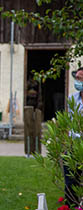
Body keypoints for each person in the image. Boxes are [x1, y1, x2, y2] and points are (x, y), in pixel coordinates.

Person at [65, 67, 83, 207]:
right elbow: (68, 122)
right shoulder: (72, 98)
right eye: (76, 78)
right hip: (73, 143)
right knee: (71, 176)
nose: (78, 81)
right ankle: (71, 203)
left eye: (81, 78)